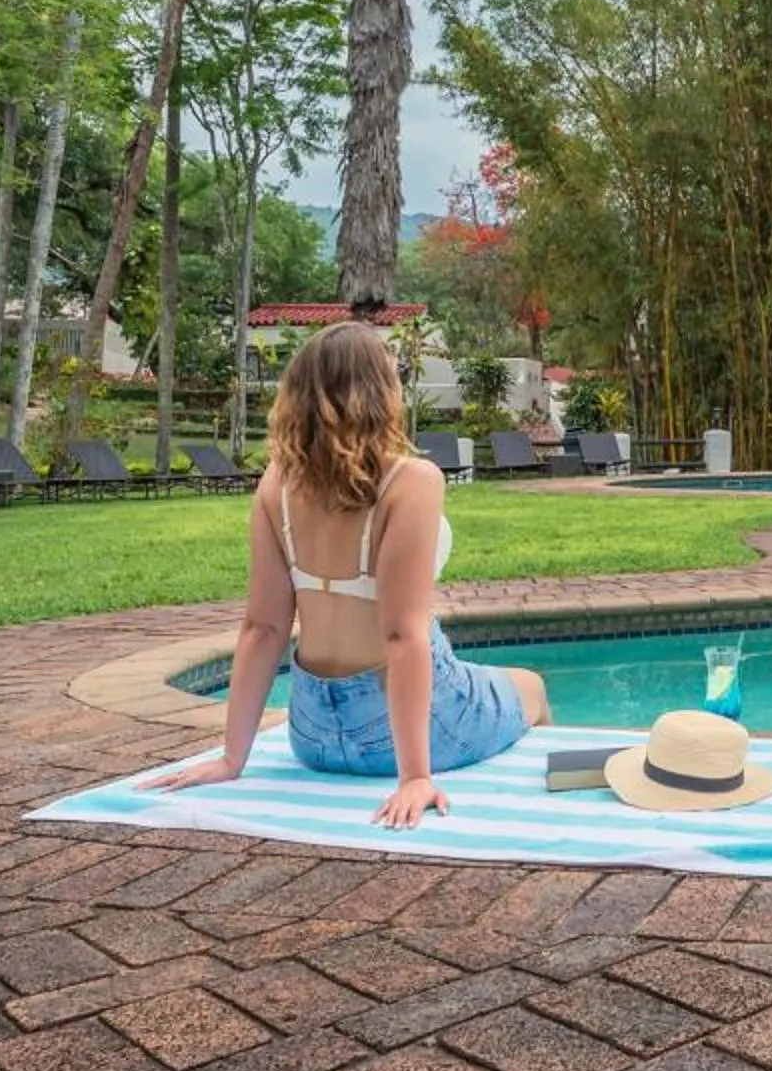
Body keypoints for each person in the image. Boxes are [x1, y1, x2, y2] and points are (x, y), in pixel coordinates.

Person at [150, 320, 545, 828]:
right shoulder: (412, 481)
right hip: (397, 732)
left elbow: (262, 629)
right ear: (382, 392)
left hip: (311, 733)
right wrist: (415, 778)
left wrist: (232, 759)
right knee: (529, 685)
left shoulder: (277, 485)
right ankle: (532, 816)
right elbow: (403, 635)